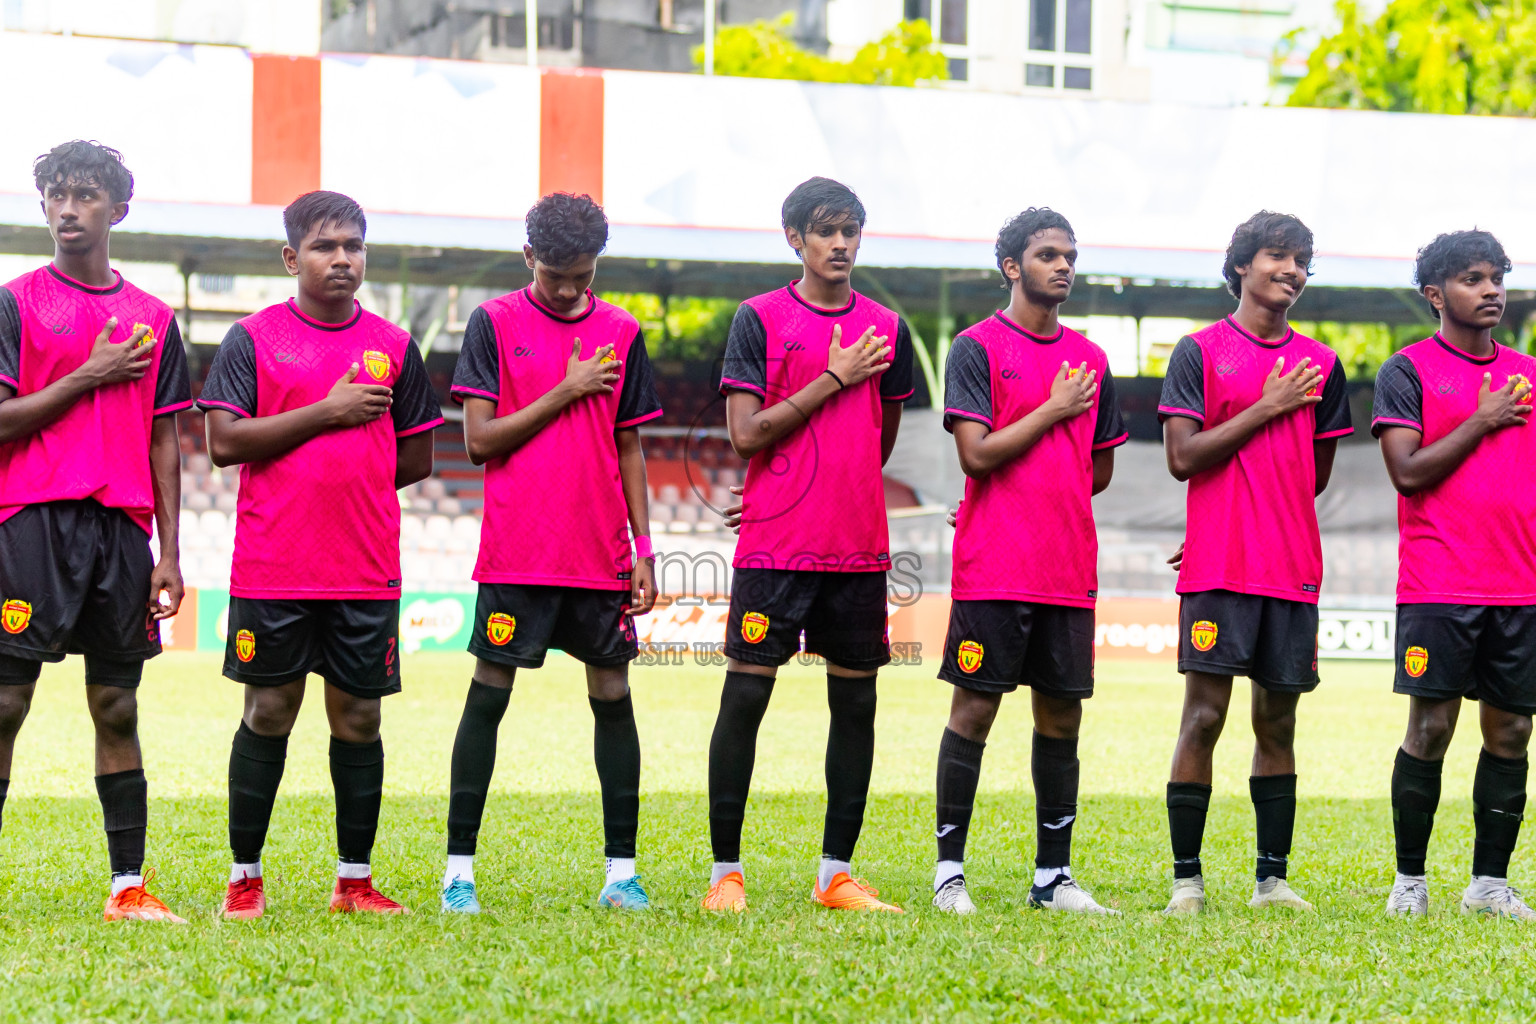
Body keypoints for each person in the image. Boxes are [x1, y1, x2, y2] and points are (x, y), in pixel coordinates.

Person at [199, 190, 443, 919]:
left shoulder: (396, 345)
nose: (342, 259)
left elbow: (418, 457)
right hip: (274, 565)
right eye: (325, 246)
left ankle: (354, 882)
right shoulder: (253, 339)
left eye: (353, 246)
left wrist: (352, 474)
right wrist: (327, 415)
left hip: (364, 568)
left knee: (359, 720)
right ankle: (245, 879)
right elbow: (223, 444)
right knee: (268, 711)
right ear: (290, 257)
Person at [442, 192, 661, 913]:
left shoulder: (623, 331)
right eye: (557, 274)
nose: (570, 290)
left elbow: (629, 442)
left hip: (598, 555)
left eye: (583, 275)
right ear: (529, 256)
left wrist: (644, 546)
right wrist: (566, 390)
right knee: (489, 699)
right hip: (518, 554)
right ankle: (459, 874)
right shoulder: (495, 324)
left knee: (613, 697)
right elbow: (479, 440)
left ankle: (620, 874)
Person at [703, 176, 913, 914]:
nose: (842, 244)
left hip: (856, 548)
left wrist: (826, 477)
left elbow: (877, 443)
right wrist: (833, 377)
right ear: (794, 238)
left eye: (852, 230)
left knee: (856, 710)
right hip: (775, 549)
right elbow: (746, 434)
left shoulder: (889, 326)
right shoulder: (758, 318)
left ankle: (835, 875)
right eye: (826, 231)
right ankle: (725, 874)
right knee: (745, 701)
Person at [0, 141, 190, 922]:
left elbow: (164, 439)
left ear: (119, 209)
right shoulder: (14, 302)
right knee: (5, 703)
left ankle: (128, 888)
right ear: (42, 205)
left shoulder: (152, 319)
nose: (68, 208)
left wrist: (171, 550)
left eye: (85, 195)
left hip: (121, 535)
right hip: (30, 524)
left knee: (117, 705)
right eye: (56, 194)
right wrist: (87, 374)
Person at [932, 208, 1127, 915]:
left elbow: (1095, 470)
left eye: (1070, 254)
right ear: (1012, 266)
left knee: (1062, 720)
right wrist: (1051, 411)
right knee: (975, 710)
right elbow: (976, 455)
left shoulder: (1092, 360)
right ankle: (949, 872)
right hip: (995, 565)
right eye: (1047, 254)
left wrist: (1049, 473)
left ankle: (1053, 877)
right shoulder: (976, 347)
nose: (1063, 266)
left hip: (1066, 566)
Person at [1157, 211, 1352, 914]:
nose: (1292, 271)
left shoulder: (1323, 364)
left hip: (1291, 568)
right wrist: (1268, 406)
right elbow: (1183, 458)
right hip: (1218, 570)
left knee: (1278, 722)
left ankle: (1272, 880)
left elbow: (1312, 472)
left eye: (1301, 260)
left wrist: (1261, 503)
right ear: (1242, 264)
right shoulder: (1198, 351)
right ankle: (1188, 881)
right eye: (1278, 256)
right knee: (1204, 718)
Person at [1372, 229, 1536, 919]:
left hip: (1521, 587)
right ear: (1436, 294)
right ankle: (1410, 880)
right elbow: (1408, 474)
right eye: (1473, 278)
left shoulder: (1528, 374)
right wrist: (1482, 419)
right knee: (1431, 728)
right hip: (1441, 583)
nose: (1491, 288)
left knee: (1511, 733)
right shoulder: (1406, 371)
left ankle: (1488, 885)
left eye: (1497, 275)